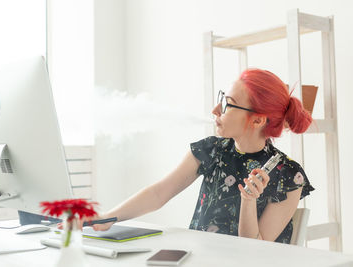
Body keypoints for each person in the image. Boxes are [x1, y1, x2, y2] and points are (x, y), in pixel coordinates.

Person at [89, 68, 315, 244]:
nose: (216, 109)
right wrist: (109, 217)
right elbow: (159, 193)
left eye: (228, 104)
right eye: (222, 98)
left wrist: (249, 202)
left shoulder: (289, 175)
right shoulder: (212, 150)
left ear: (257, 120)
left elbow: (254, 251)